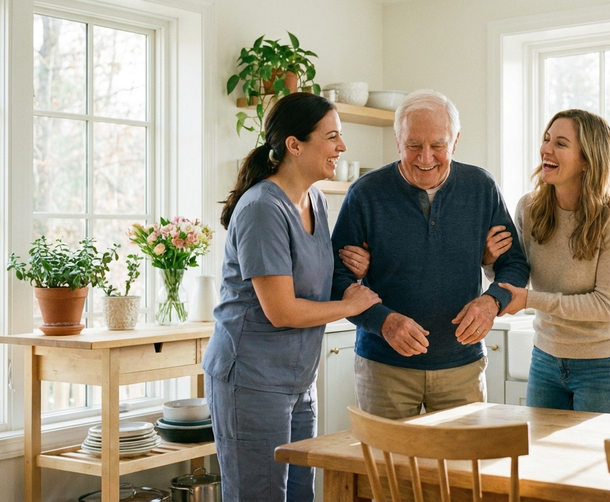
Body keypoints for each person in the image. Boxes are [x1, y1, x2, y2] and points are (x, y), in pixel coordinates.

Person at [202, 92, 381, 502]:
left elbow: (314, 276)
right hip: (250, 381)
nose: (342, 147)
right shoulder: (262, 208)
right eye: (332, 136)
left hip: (298, 380)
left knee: (300, 493)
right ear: (294, 145)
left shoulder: (315, 199)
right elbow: (281, 310)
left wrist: (356, 267)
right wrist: (351, 306)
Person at [330, 89, 530, 420]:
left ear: (455, 141)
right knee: (387, 470)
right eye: (413, 146)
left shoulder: (481, 187)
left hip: (461, 367)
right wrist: (384, 322)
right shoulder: (365, 193)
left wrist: (491, 302)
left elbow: (514, 264)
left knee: (463, 470)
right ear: (397, 141)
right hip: (384, 367)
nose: (425, 158)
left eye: (438, 145)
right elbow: (336, 279)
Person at [492, 109, 610, 414]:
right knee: (542, 459)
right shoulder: (529, 208)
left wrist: (531, 300)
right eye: (546, 139)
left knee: (593, 460)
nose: (546, 149)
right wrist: (489, 259)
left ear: (587, 160)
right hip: (545, 358)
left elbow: (606, 306)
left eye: (560, 143)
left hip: (604, 364)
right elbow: (516, 275)